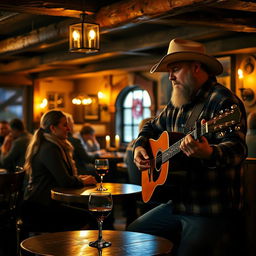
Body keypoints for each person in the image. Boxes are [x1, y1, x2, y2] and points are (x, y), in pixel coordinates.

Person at [127, 38, 247, 256]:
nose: (170, 76)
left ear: (196, 67)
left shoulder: (223, 102)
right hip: (178, 202)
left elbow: (238, 150)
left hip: (209, 208)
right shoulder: (176, 102)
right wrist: (139, 146)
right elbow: (150, 126)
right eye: (169, 71)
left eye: (175, 70)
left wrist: (209, 152)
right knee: (133, 237)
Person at [21, 110, 97, 233]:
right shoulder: (49, 148)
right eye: (64, 125)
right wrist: (82, 181)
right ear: (53, 128)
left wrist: (80, 179)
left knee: (90, 210)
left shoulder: (54, 145)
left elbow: (62, 177)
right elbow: (65, 181)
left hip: (46, 203)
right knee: (92, 216)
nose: (69, 129)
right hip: (39, 207)